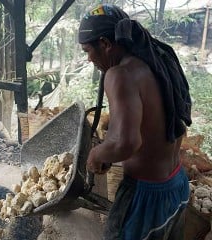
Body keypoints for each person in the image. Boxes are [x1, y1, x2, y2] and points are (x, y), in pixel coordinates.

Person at [79, 4, 192, 240]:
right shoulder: (157, 59)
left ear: (106, 44)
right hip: (176, 185)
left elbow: (126, 143)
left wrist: (97, 154)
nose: (89, 59)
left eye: (87, 50)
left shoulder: (120, 74)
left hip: (146, 198)